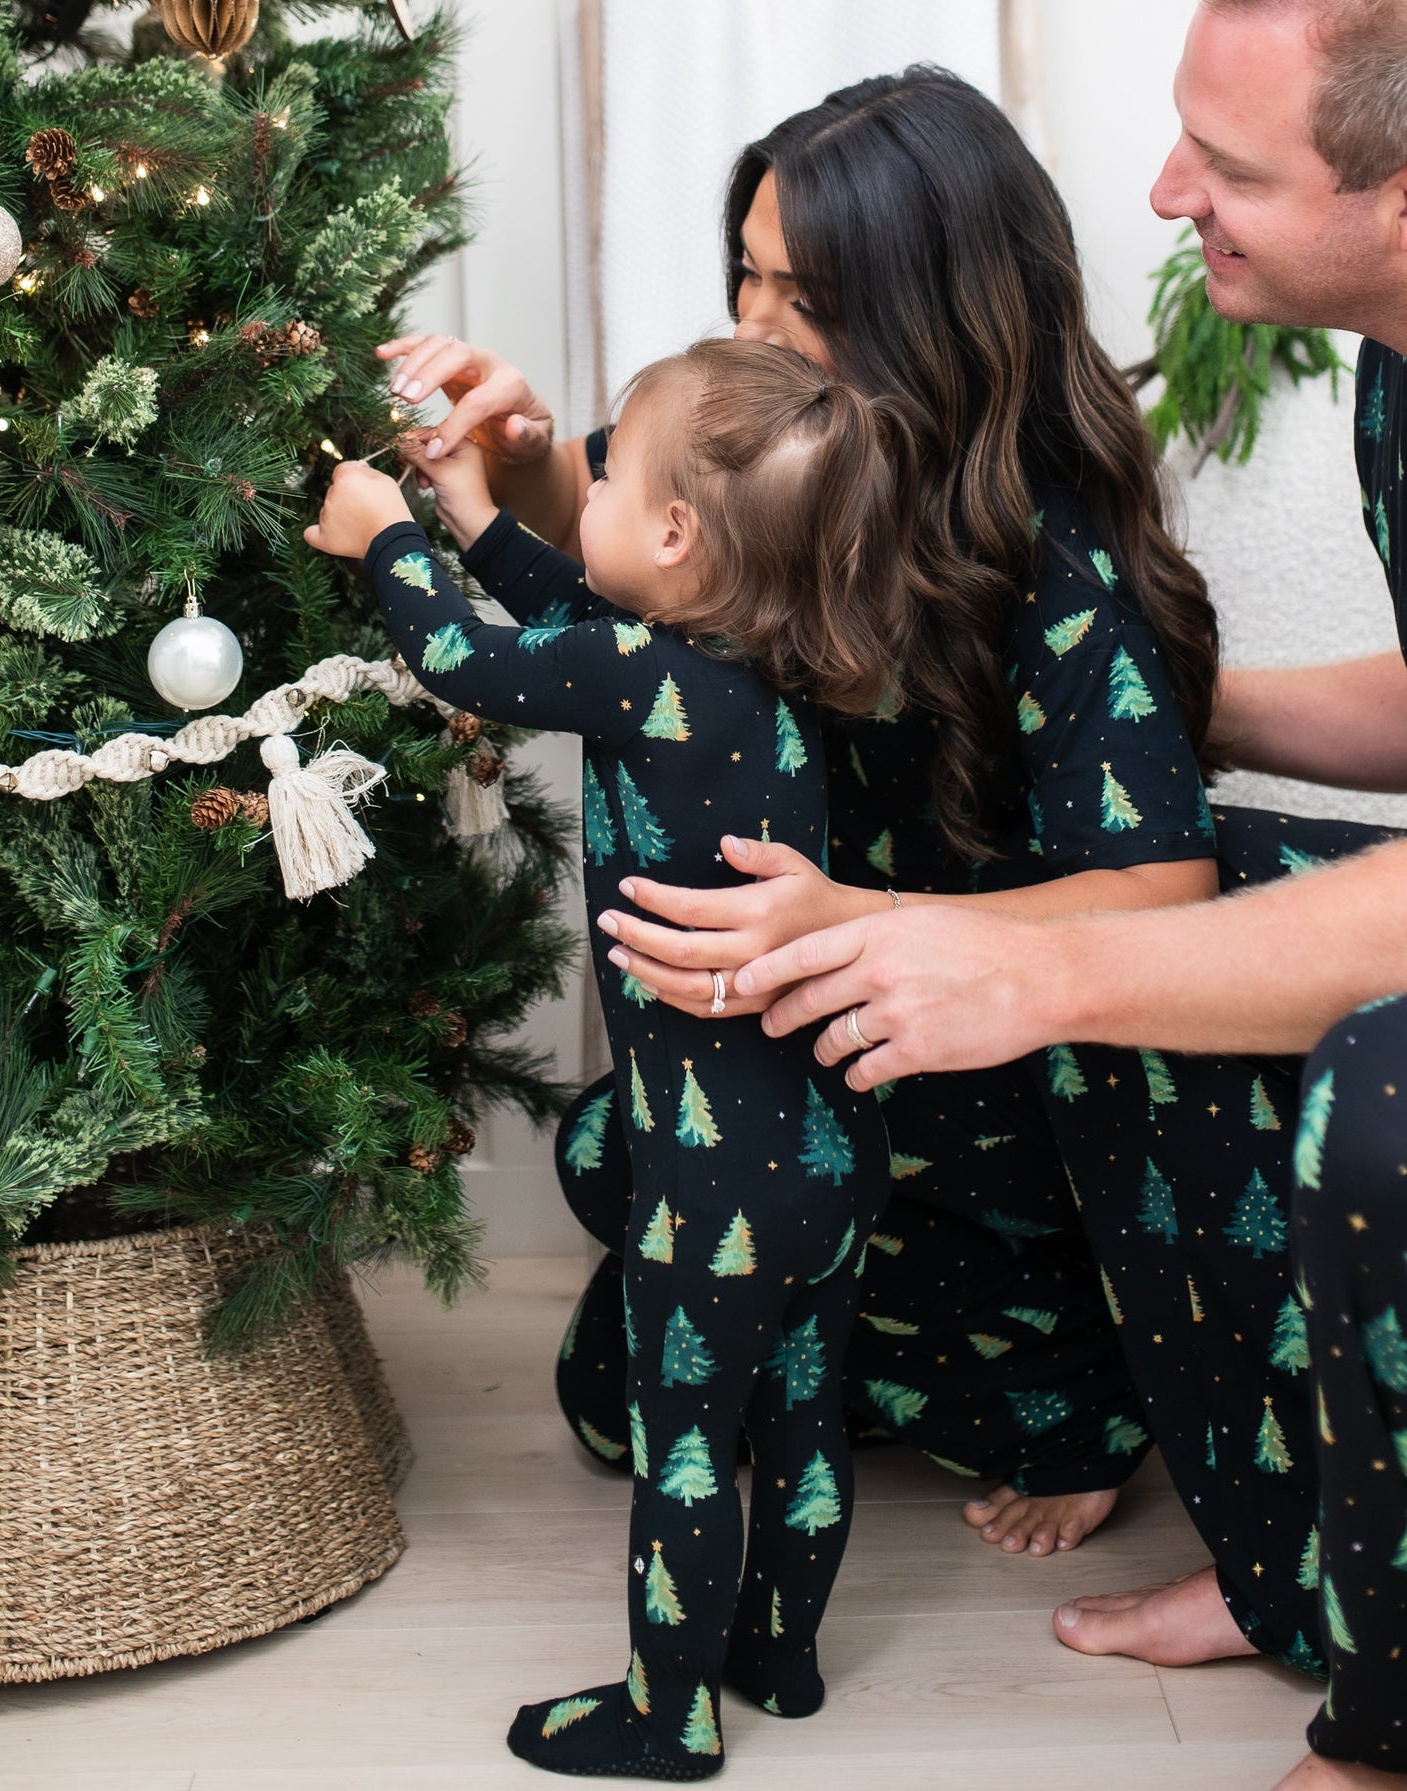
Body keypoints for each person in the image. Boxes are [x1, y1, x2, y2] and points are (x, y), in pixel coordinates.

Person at [729, 3, 1407, 1791]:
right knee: (1154, 903)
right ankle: (1291, 1561)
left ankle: (1398, 1753)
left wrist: (1044, 975)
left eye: (1230, 168)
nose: (1169, 194)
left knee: (1403, 1086)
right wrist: (1167, 711)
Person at [379, 67, 1226, 1556]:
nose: (755, 325)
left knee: (896, 1343)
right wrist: (506, 458)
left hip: (965, 1078)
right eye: (748, 276)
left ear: (939, 313)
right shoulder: (764, 445)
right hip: (773, 1062)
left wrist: (861, 925)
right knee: (608, 1253)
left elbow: (1166, 896)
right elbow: (603, 552)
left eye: (807, 297)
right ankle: (823, 1342)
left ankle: (1063, 1384)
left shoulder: (1045, 551)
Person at [306, 338, 905, 1779]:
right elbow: (573, 611)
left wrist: (388, 536)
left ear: (678, 533)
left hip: (712, 1174)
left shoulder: (636, 670)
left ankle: (665, 1715)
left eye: (610, 473)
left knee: (686, 1437)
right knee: (803, 1416)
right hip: (832, 1147)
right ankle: (782, 1658)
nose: (585, 487)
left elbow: (469, 658)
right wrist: (470, 509)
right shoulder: (757, 665)